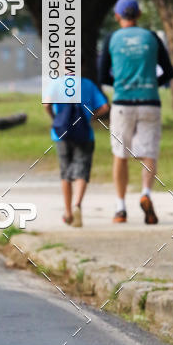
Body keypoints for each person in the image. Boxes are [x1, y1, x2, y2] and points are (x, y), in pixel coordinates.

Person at [98, 0, 173, 225]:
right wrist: (153, 82)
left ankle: (120, 209)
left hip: (123, 103)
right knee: (149, 153)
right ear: (139, 15)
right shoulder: (151, 37)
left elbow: (103, 75)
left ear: (117, 16)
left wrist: (123, 83)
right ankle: (146, 193)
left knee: (120, 155)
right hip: (150, 102)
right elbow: (169, 71)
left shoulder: (112, 39)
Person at [44, 70, 109, 227]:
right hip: (84, 132)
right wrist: (91, 117)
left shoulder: (56, 83)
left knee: (66, 172)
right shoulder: (87, 84)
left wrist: (55, 119)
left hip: (61, 134)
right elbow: (105, 107)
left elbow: (47, 104)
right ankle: (77, 205)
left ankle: (68, 213)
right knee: (82, 169)